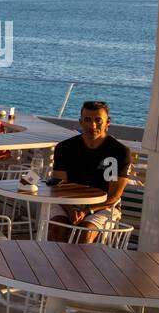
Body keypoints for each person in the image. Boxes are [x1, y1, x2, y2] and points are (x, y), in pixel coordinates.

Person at [49, 101, 133, 243]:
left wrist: (87, 211)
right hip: (67, 202)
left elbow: (114, 195)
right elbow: (58, 186)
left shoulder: (119, 152)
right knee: (58, 229)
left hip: (103, 206)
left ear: (108, 122)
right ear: (80, 122)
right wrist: (71, 210)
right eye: (87, 120)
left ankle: (81, 266)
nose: (92, 125)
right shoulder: (64, 148)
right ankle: (55, 265)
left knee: (84, 233)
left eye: (98, 120)